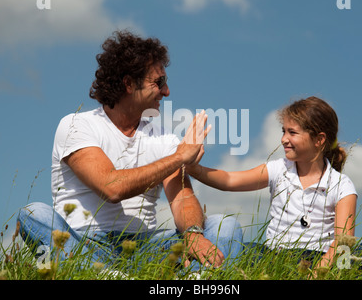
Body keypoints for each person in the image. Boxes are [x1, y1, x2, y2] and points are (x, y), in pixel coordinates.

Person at [17, 30, 243, 272]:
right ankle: (99, 274)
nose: (167, 92)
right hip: (85, 244)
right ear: (128, 84)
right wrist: (179, 157)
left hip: (146, 247)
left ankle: (193, 282)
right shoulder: (76, 125)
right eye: (159, 83)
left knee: (225, 226)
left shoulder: (164, 137)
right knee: (33, 214)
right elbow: (111, 187)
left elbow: (182, 198)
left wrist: (193, 234)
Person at [186, 96, 362, 269]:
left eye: (292, 132)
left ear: (319, 140)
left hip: (318, 257)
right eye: (284, 131)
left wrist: (320, 271)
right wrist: (195, 169)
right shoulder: (279, 169)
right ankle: (200, 277)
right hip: (275, 256)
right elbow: (229, 180)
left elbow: (343, 239)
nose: (283, 139)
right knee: (243, 249)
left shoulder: (342, 185)